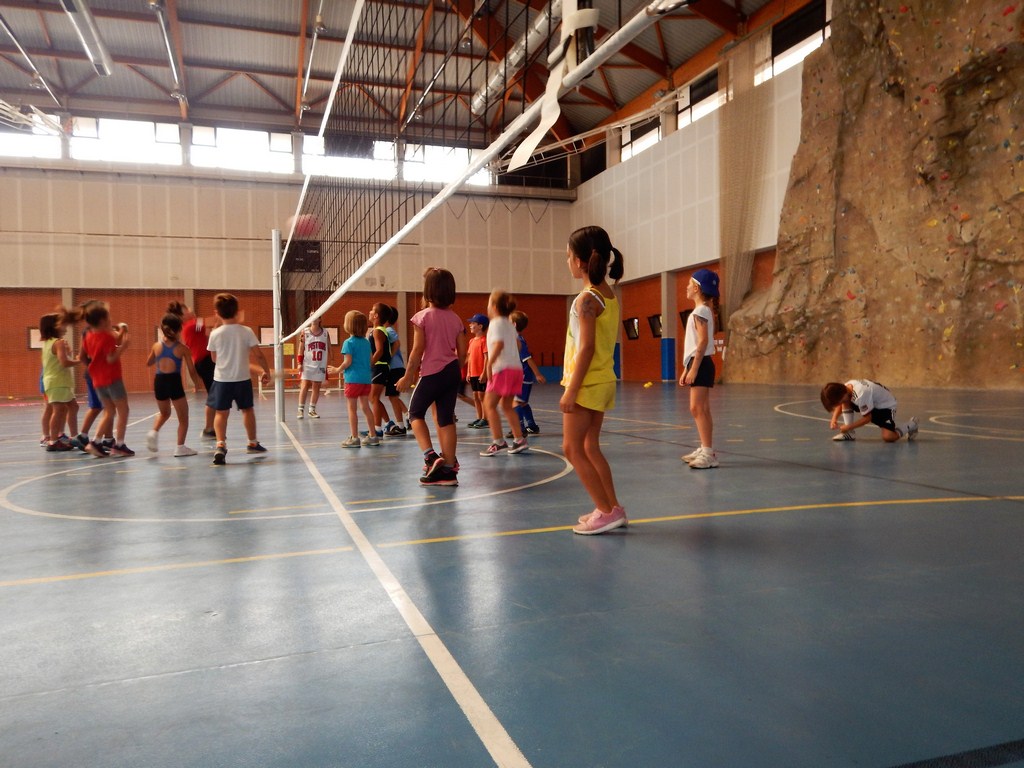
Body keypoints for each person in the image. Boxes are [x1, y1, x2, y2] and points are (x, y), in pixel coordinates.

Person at [561, 226, 627, 535]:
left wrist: (571, 389)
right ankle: (612, 508)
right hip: (603, 380)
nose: (567, 261)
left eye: (568, 256)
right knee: (590, 446)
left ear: (579, 261)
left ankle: (606, 511)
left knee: (572, 448)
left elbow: (586, 347)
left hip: (586, 383)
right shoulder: (608, 295)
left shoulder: (586, 299)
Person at [396, 267, 468, 487]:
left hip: (432, 372)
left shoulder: (422, 317)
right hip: (452, 371)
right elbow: (463, 352)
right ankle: (449, 471)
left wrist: (408, 375)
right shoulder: (456, 319)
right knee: (446, 418)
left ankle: (430, 456)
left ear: (427, 291)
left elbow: (417, 350)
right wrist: (455, 370)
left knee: (415, 413)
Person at [206, 293, 271, 465]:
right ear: (237, 311)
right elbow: (259, 355)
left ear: (217, 313)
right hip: (242, 380)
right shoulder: (246, 331)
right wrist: (266, 372)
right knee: (247, 410)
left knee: (221, 413)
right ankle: (252, 442)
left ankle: (220, 445)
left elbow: (213, 358)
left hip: (221, 380)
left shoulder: (215, 334)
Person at [679, 268, 721, 470]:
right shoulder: (702, 310)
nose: (687, 287)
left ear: (696, 288)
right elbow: (696, 344)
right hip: (698, 362)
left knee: (697, 408)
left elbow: (703, 341)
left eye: (689, 283)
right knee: (701, 408)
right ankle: (705, 448)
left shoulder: (701, 311)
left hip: (701, 363)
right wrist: (686, 368)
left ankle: (708, 453)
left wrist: (694, 368)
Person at [145, 312, 203, 456]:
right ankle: (180, 447)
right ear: (178, 330)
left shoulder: (156, 346)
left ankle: (153, 432)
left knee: (164, 413)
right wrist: (197, 383)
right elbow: (191, 370)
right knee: (183, 418)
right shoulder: (183, 348)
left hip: (159, 382)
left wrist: (158, 355)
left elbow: (149, 362)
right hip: (174, 382)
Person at [82, 302, 134, 457]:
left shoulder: (88, 336)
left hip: (97, 380)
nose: (111, 319)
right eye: (109, 317)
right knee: (123, 410)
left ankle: (96, 442)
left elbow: (99, 350)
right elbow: (111, 358)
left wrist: (121, 332)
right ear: (103, 320)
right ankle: (119, 445)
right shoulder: (107, 337)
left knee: (109, 411)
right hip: (112, 377)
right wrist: (123, 347)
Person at [479, 290, 528, 456]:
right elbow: (518, 345)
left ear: (494, 307)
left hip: (502, 369)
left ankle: (498, 441)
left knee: (489, 405)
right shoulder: (509, 324)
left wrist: (489, 364)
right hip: (516, 369)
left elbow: (499, 345)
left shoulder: (495, 323)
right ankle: (519, 439)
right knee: (507, 405)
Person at [38, 307, 86, 453]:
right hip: (57, 382)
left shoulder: (48, 342)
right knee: (58, 410)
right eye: (63, 324)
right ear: (55, 326)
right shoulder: (58, 342)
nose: (65, 327)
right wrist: (79, 360)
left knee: (73, 406)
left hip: (58, 381)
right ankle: (53, 441)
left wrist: (68, 353)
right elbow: (64, 362)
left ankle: (73, 436)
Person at [168, 301, 218, 439]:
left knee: (215, 394)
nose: (190, 310)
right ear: (181, 316)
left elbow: (209, 331)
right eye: (186, 310)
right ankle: (209, 429)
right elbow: (212, 321)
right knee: (214, 395)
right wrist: (227, 313)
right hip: (205, 363)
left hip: (206, 362)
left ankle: (211, 427)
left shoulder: (194, 327)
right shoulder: (191, 324)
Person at [329, 310, 378, 448]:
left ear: (348, 325)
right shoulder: (366, 342)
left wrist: (337, 369)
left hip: (353, 380)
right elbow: (371, 360)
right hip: (366, 379)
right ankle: (373, 436)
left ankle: (354, 438)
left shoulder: (348, 343)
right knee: (366, 407)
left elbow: (348, 362)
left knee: (352, 409)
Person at [69, 301, 110, 454]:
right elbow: (82, 356)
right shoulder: (93, 332)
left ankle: (106, 438)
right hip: (98, 374)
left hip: (94, 373)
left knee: (103, 407)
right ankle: (84, 436)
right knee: (102, 407)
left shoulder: (88, 331)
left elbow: (82, 356)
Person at [820, 380, 919, 442]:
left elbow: (867, 418)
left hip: (886, 407)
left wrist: (848, 426)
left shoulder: (861, 394)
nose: (840, 404)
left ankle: (912, 424)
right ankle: (849, 433)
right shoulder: (845, 388)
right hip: (872, 403)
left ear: (842, 394)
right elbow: (841, 404)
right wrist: (834, 419)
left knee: (888, 437)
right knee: (846, 402)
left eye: (839, 401)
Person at [510, 310, 545, 436]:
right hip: (522, 376)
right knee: (523, 402)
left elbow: (528, 359)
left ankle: (519, 428)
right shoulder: (516, 339)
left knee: (515, 401)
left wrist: (537, 374)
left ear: (513, 325)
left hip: (522, 376)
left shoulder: (518, 340)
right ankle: (532, 426)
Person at [380, 305, 408, 436]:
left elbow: (397, 343)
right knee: (393, 396)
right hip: (395, 368)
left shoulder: (388, 330)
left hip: (395, 368)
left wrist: (388, 356)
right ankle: (408, 416)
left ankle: (401, 426)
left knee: (392, 396)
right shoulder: (386, 330)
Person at [296, 317, 331, 419]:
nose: (313, 318)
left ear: (320, 319)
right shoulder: (305, 332)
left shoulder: (325, 333)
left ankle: (312, 410)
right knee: (304, 385)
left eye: (316, 316)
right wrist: (299, 363)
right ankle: (300, 410)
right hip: (307, 363)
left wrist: (330, 361)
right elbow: (300, 348)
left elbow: (329, 347)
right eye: (312, 316)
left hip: (320, 364)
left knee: (316, 386)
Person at [367, 303, 392, 438]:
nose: (369, 312)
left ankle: (377, 429)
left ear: (376, 315)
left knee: (373, 397)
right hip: (379, 367)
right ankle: (388, 423)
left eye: (372, 310)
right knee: (373, 398)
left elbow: (380, 351)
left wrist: (369, 364)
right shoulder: (377, 330)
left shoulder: (377, 331)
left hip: (380, 366)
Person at [464, 313, 489, 429]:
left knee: (482, 396)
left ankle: (485, 418)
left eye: (473, 323)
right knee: (475, 396)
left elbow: (487, 358)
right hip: (473, 373)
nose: (470, 325)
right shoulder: (471, 341)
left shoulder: (484, 341)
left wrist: (484, 373)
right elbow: (469, 358)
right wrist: (468, 372)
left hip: (481, 373)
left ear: (480, 326)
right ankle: (479, 418)